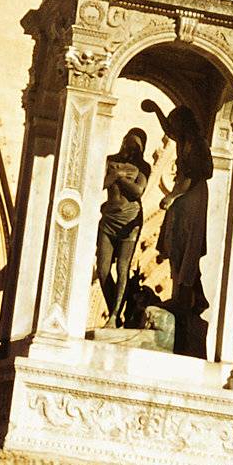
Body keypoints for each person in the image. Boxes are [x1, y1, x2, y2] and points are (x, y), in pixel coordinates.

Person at [142, 98, 215, 358]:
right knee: (175, 244)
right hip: (183, 195)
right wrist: (155, 110)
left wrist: (173, 197)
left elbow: (198, 174)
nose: (171, 130)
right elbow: (168, 130)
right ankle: (191, 296)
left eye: (174, 124)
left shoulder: (196, 144)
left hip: (192, 196)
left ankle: (185, 298)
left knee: (187, 246)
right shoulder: (184, 140)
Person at [95, 127, 152, 326]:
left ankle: (113, 316)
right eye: (130, 143)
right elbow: (98, 185)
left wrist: (119, 177)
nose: (132, 149)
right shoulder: (110, 160)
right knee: (102, 270)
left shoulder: (143, 167)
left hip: (130, 220)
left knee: (122, 268)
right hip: (109, 218)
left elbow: (137, 192)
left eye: (137, 146)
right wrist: (115, 175)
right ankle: (114, 310)